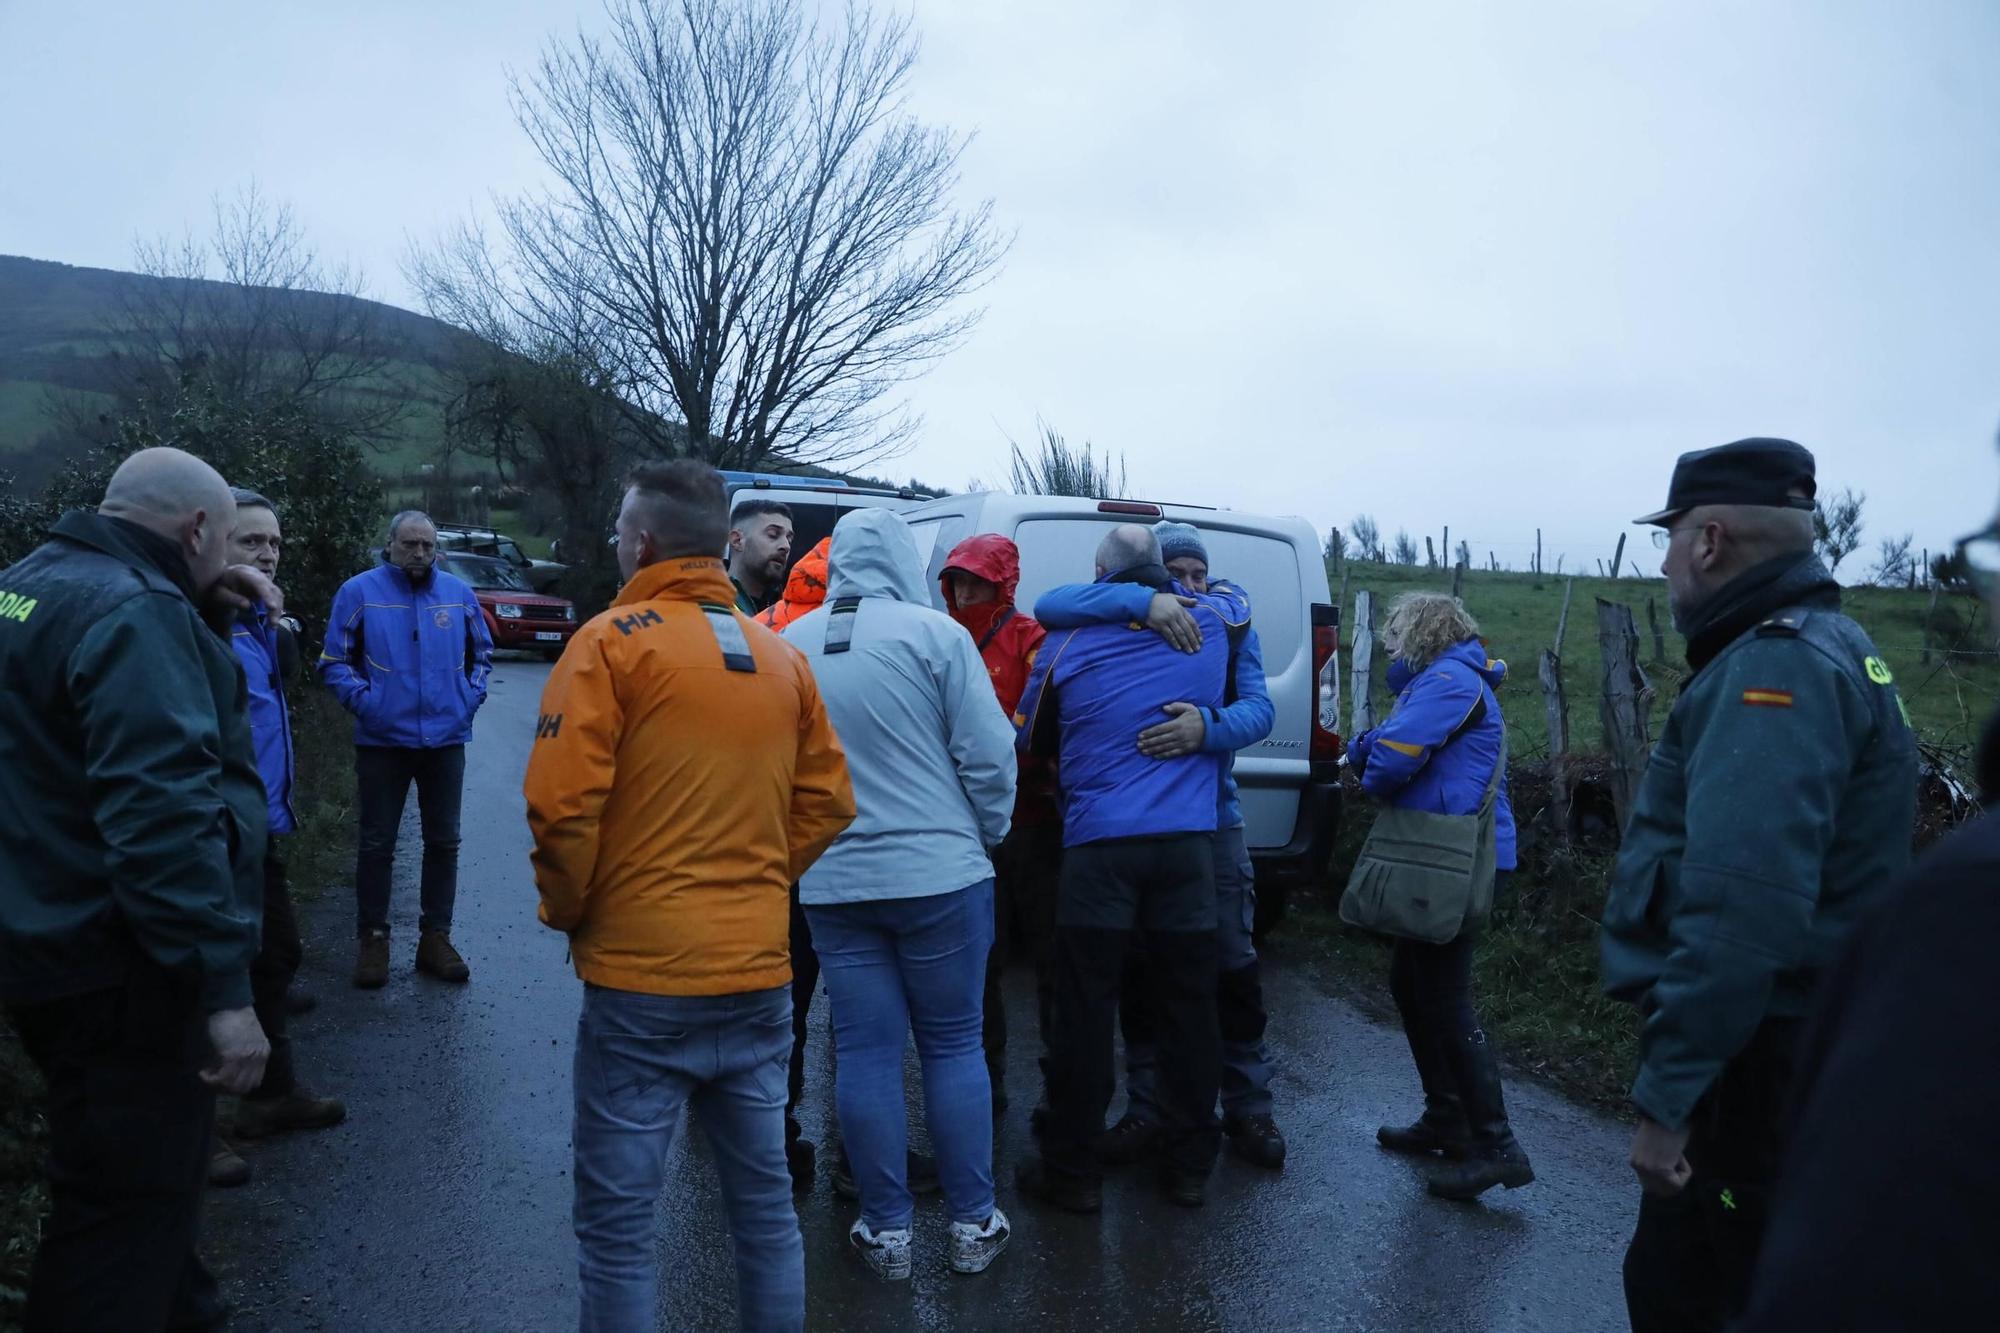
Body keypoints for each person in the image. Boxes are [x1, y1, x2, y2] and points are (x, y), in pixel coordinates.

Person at [524, 460, 854, 1332]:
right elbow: (829, 800)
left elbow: (561, 810)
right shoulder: (783, 658)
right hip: (755, 980)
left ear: (641, 543)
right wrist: (757, 878)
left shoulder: (607, 641)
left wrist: (570, 908)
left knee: (619, 1231)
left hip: (640, 982)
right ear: (720, 544)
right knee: (765, 1214)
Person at [1599, 437, 1917, 1332]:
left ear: (1708, 540)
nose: (1661, 562)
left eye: (1668, 538)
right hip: (1796, 1047)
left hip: (1754, 1068)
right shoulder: (1834, 644)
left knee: (1690, 1293)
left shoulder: (1773, 671)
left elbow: (1742, 909)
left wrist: (1667, 1104)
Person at [0, 447, 274, 1331]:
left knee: (144, 1201)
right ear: (198, 530)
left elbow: (59, 740)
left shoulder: (25, 583)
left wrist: (200, 615)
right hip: (123, 967)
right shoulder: (136, 613)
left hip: (39, 939)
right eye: (228, 542)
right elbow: (163, 819)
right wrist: (224, 991)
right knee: (118, 1225)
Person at [1736, 508, 2000, 1330]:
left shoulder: (1967, 912)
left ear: (1710, 542)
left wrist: (1668, 1091)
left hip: (1770, 1015)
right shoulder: (1855, 652)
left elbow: (1740, 883)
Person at [783, 509, 1018, 1280]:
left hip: (836, 881)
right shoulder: (937, 636)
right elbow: (989, 754)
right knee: (952, 1045)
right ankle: (971, 1221)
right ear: (902, 560)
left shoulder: (787, 646)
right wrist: (986, 832)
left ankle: (886, 1231)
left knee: (866, 1051)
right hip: (941, 875)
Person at [1031, 520, 1286, 1170]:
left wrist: (1209, 727)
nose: (1192, 584)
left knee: (1225, 969)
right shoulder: (1158, 616)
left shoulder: (1226, 617)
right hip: (1183, 834)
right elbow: (1056, 602)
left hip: (1208, 820)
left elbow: (1261, 710)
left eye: (1200, 574)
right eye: (1179, 575)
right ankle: (1162, 1123)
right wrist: (1143, 602)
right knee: (1171, 984)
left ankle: (1248, 1108)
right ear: (1159, 577)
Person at [1347, 592, 1530, 1199]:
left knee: (1445, 996)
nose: (1389, 646)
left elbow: (1394, 755)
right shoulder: (1445, 678)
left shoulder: (1449, 681)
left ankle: (1497, 1145)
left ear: (1424, 633)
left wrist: (1366, 762)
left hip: (1459, 857)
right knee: (1411, 983)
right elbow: (1397, 734)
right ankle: (1447, 1117)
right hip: (1443, 854)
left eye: (1396, 634)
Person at [209, 490, 346, 1189]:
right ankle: (198, 1128)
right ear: (212, 545)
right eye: (250, 541)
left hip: (256, 823)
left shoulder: (258, 626)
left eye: (273, 542)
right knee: (208, 967)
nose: (265, 553)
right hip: (214, 830)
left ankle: (270, 1094)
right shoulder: (200, 627)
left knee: (276, 952)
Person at [318, 510, 493, 988]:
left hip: (446, 741)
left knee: (445, 843)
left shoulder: (458, 595)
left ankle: (435, 939)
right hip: (382, 743)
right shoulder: (358, 593)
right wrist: (369, 705)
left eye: (428, 546)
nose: (419, 553)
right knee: (377, 844)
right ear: (390, 543)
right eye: (410, 544)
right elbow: (334, 661)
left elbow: (482, 656)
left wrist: (466, 702)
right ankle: (373, 940)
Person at [937, 532, 1054, 1110]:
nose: (963, 589)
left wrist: (997, 749)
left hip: (1029, 821)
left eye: (975, 579)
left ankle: (1060, 1089)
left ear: (1002, 581)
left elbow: (1039, 721)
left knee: (1048, 956)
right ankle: (989, 1083)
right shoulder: (940, 637)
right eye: (956, 578)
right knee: (980, 961)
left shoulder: (1030, 638)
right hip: (964, 827)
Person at [758, 534, 835, 1186]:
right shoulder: (894, 636)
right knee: (868, 1022)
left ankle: (774, 1134)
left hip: (777, 853)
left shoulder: (761, 633)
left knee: (783, 1005)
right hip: (858, 855)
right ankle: (865, 1158)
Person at [727, 497, 793, 616]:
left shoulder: (789, 608)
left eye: (789, 539)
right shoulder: (709, 604)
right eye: (773, 535)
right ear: (737, 540)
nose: (786, 546)